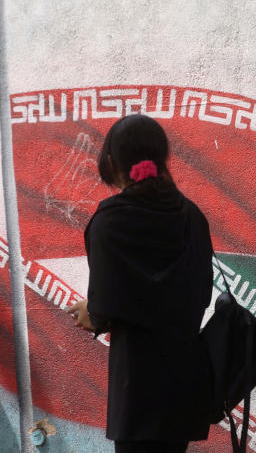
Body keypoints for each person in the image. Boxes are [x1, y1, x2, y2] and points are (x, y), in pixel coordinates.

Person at [68, 114, 213, 453]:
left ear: (112, 162)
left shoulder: (109, 221)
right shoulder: (191, 215)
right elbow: (201, 294)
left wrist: (92, 312)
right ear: (161, 160)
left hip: (137, 387)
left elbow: (103, 308)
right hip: (183, 381)